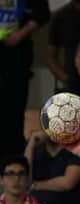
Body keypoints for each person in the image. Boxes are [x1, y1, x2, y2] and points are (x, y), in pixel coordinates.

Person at [0, 0, 50, 157]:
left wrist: (21, 34)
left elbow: (42, 13)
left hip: (16, 58)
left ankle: (13, 159)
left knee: (13, 113)